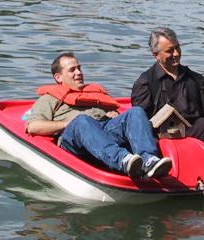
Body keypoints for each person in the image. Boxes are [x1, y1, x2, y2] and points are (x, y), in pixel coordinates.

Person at [26, 52, 172, 178]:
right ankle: (123, 160)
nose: (79, 72)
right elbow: (33, 126)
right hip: (75, 138)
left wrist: (115, 116)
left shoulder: (94, 93)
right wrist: (68, 124)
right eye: (72, 70)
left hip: (103, 131)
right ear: (58, 77)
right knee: (82, 121)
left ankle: (148, 160)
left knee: (136, 112)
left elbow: (115, 115)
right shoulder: (50, 98)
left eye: (79, 68)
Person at [131, 27, 204, 172]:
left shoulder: (195, 79)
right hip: (161, 135)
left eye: (177, 48)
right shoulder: (145, 82)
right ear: (156, 55)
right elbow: (139, 122)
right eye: (170, 51)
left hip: (193, 129)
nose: (176, 54)